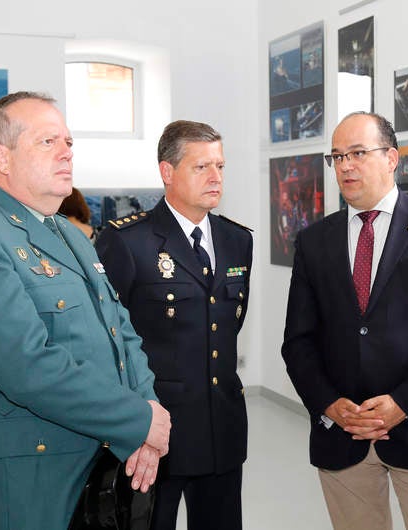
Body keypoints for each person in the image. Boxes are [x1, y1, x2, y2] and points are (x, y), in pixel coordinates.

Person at [0, 91, 171, 530]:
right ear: (1, 156)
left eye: (69, 142)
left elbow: (120, 331)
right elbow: (25, 365)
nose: (66, 152)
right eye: (47, 142)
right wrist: (138, 420)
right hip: (22, 477)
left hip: (95, 458)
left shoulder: (65, 231)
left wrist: (146, 405)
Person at [281, 111, 408, 530]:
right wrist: (330, 404)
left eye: (358, 153)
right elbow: (298, 341)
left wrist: (404, 404)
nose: (345, 165)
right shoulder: (314, 242)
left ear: (391, 158)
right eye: (337, 157)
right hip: (341, 438)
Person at [95, 120, 253, 530]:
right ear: (168, 172)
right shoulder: (128, 241)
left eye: (220, 166)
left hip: (221, 428)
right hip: (154, 434)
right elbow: (107, 344)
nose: (216, 177)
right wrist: (128, 425)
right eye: (201, 167)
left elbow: (225, 326)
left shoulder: (238, 240)